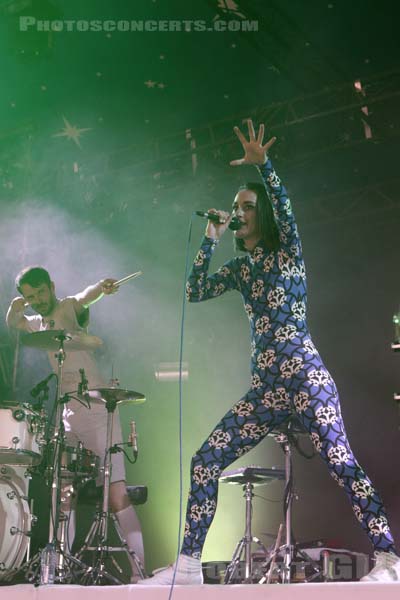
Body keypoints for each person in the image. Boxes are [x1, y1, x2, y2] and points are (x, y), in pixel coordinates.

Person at [139, 120, 400, 585]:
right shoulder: (242, 268)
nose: (237, 212)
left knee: (340, 461)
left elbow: (284, 205)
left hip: (304, 375)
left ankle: (387, 558)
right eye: (235, 206)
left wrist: (266, 168)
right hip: (266, 389)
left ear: (263, 215)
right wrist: (211, 239)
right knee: (206, 459)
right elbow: (195, 290)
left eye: (245, 206)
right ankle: (187, 566)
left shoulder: (288, 253)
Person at [6, 267, 145, 576]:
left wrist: (101, 286)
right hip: (67, 411)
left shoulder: (67, 306)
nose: (38, 300)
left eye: (41, 292)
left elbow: (86, 297)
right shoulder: (37, 323)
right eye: (31, 296)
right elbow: (13, 322)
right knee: (63, 491)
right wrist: (16, 306)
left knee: (116, 492)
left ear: (51, 286)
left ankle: (140, 572)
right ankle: (56, 570)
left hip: (98, 408)